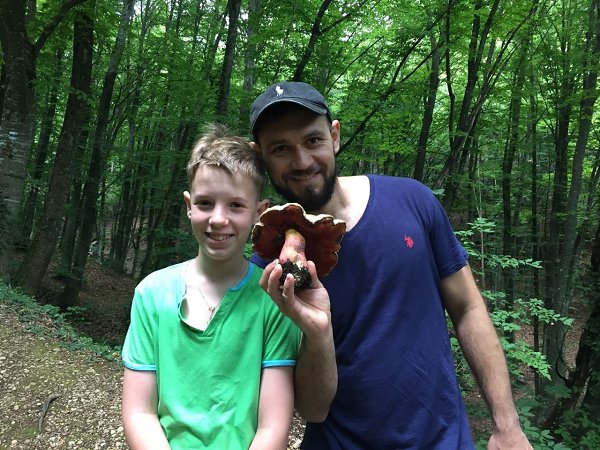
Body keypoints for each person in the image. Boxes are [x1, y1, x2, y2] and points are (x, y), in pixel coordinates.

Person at [249, 81, 533, 449]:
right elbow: (312, 409)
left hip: (442, 440)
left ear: (334, 136)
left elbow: (467, 307)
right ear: (261, 157)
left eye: (313, 140)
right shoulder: (269, 269)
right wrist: (317, 332)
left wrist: (507, 426)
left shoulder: (412, 201)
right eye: (281, 149)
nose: (302, 162)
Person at [121, 124, 302, 450]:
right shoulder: (151, 294)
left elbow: (273, 426)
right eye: (205, 203)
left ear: (259, 213)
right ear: (188, 205)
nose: (218, 219)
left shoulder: (274, 301)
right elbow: (139, 413)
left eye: (236, 205)